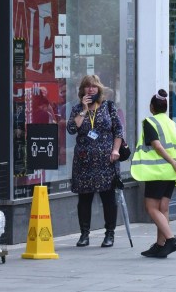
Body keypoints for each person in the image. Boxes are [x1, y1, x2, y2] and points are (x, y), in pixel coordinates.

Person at [66, 74, 125, 248]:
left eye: (93, 86)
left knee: (108, 198)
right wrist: (84, 109)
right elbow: (71, 129)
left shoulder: (108, 107)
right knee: (84, 199)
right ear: (82, 90)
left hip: (106, 160)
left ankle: (109, 234)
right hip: (84, 161)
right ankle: (84, 234)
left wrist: (115, 150)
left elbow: (118, 130)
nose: (90, 89)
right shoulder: (78, 109)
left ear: (99, 88)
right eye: (87, 86)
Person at [131, 89, 176, 258]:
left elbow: (156, 145)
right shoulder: (173, 124)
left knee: (151, 208)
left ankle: (171, 240)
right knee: (163, 208)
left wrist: (172, 162)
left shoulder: (150, 122)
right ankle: (160, 245)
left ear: (152, 107)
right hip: (172, 173)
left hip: (158, 172)